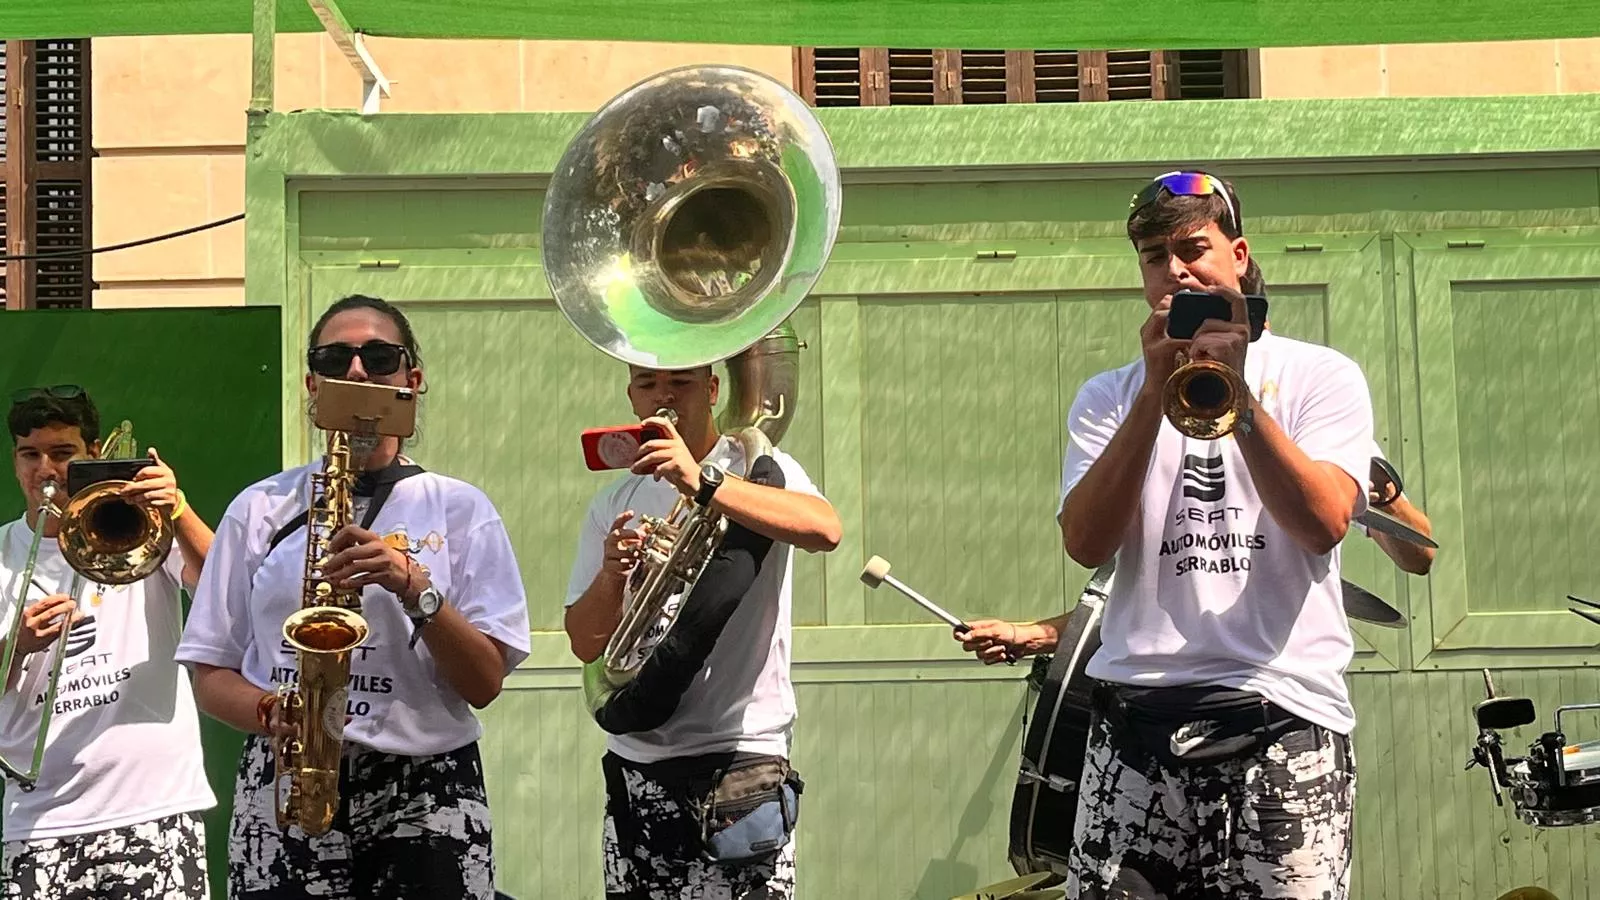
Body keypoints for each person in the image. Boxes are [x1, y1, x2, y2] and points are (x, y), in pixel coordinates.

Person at [971, 170, 1374, 899]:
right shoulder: (1108, 394)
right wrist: (1154, 393)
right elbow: (1087, 543)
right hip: (1136, 724)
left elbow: (1323, 525)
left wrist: (1239, 396)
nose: (1175, 270)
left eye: (1193, 248)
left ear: (1239, 255)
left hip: (1282, 715)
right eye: (1155, 257)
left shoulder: (1321, 375)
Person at [173, 294, 531, 900]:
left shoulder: (461, 508)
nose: (358, 371)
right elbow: (210, 672)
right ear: (312, 386)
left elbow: (485, 683)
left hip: (425, 790)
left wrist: (414, 586)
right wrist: (271, 711)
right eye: (335, 359)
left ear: (411, 380)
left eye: (380, 357)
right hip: (287, 774)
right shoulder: (259, 508)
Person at [563, 363, 842, 900]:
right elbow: (585, 643)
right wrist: (612, 575)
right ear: (631, 397)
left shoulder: (759, 466)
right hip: (638, 762)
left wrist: (702, 482)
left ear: (712, 390)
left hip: (739, 758)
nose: (663, 396)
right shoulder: (614, 502)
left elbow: (825, 529)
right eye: (647, 384)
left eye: (682, 382)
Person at [0, 384, 216, 899]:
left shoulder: (144, 524)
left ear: (93, 455)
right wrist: (17, 645)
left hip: (155, 806)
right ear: (14, 460)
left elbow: (224, 590)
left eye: (62, 453)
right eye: (30, 455)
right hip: (38, 820)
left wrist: (177, 508)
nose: (45, 470)